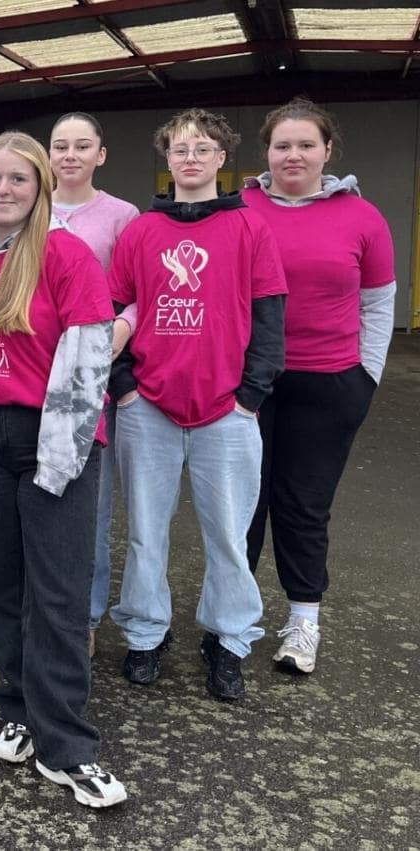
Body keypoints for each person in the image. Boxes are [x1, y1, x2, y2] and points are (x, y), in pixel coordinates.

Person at [0, 131, 123, 807]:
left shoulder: (67, 256)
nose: (3, 189)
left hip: (53, 433)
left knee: (58, 593)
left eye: (18, 178)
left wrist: (62, 456)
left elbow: (90, 358)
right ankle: (21, 707)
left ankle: (68, 745)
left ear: (40, 187)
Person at [108, 108, 287, 702]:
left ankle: (228, 641)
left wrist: (251, 395)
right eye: (180, 148)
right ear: (167, 158)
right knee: (144, 533)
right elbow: (112, 309)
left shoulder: (250, 228)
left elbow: (269, 317)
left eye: (203, 148)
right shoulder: (141, 232)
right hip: (148, 407)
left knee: (229, 537)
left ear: (221, 158)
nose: (191, 157)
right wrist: (124, 385)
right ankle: (145, 633)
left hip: (226, 411)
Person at [242, 97, 395, 674]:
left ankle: (303, 621)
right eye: (282, 145)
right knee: (242, 506)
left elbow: (378, 303)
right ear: (267, 152)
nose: (294, 155)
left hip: (329, 383)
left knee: (303, 505)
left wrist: (365, 376)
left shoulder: (363, 218)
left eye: (306, 144)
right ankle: (232, 620)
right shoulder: (242, 209)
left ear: (328, 151)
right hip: (249, 383)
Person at [47, 112, 140, 658]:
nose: (71, 155)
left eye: (82, 146)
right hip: (31, 366)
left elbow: (141, 289)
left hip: (90, 373)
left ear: (100, 155)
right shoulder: (29, 205)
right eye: (61, 146)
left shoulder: (122, 216)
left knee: (90, 503)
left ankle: (84, 614)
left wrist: (123, 326)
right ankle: (36, 607)